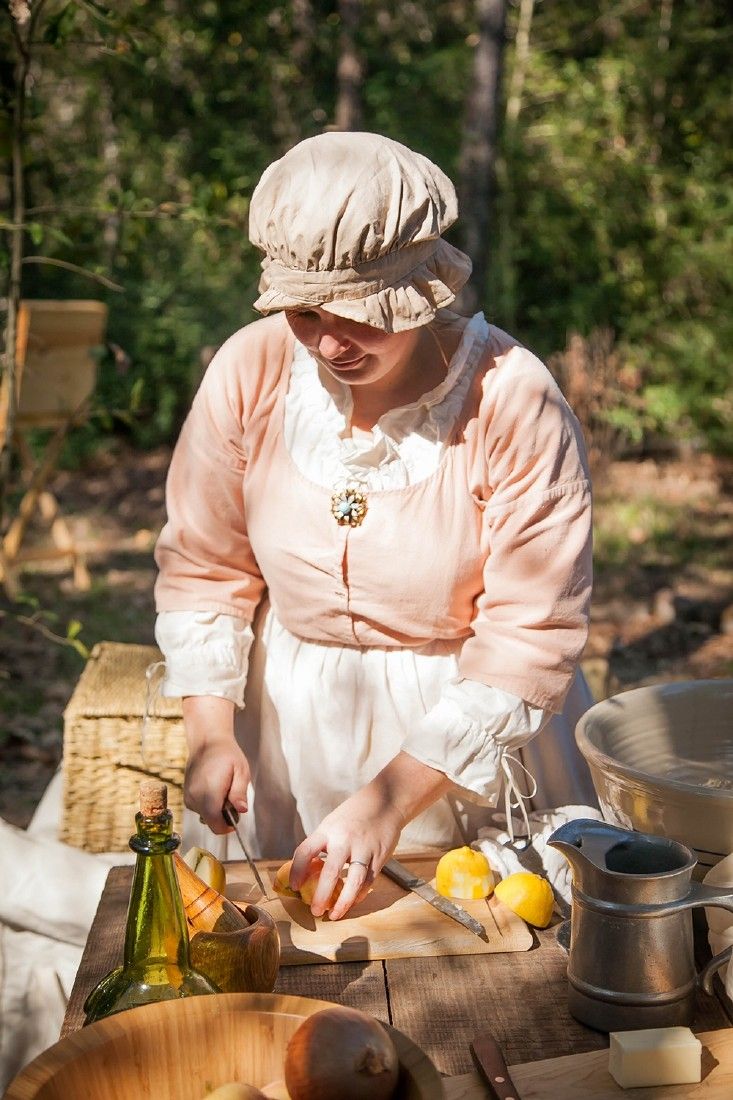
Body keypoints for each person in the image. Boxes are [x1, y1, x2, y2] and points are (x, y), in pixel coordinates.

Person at [154, 130, 597, 922]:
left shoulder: (510, 399)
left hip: (462, 746)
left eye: (357, 315)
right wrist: (212, 736)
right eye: (302, 312)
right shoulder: (251, 371)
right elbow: (204, 567)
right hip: (292, 734)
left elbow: (529, 635)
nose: (328, 344)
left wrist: (391, 801)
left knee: (481, 971)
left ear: (422, 286)